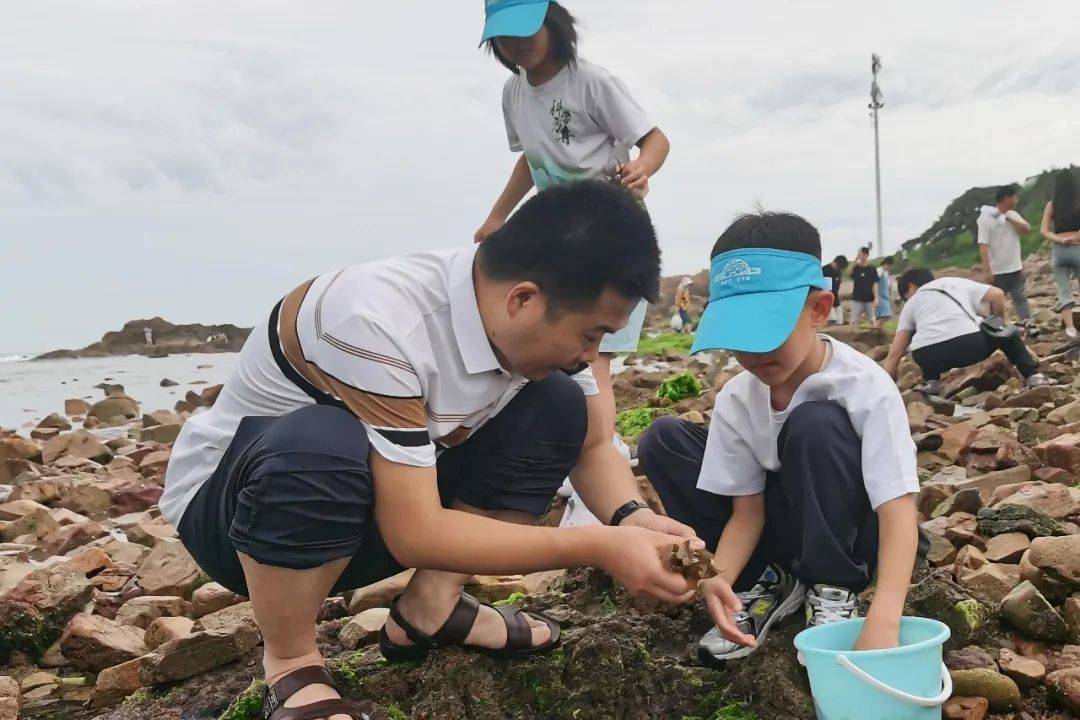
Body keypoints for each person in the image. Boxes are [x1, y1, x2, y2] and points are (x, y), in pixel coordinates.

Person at [160, 182, 719, 720]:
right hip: (240, 522)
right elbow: (414, 532)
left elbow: (593, 445)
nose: (588, 355)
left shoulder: (523, 325)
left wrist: (636, 520)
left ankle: (431, 609)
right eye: (591, 334)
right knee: (322, 445)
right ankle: (291, 658)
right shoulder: (373, 320)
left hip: (369, 507)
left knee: (559, 405)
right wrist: (600, 546)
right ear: (523, 300)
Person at [637, 212, 920, 665]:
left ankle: (833, 591)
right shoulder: (738, 397)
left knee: (815, 423)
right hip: (785, 525)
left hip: (852, 535)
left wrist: (885, 617)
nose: (753, 353)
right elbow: (746, 514)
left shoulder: (863, 386)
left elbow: (898, 509)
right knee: (663, 438)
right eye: (738, 337)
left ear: (819, 310)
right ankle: (760, 587)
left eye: (768, 331)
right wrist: (717, 580)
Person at [473, 0, 671, 467]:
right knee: (549, 349)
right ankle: (571, 455)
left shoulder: (591, 81)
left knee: (591, 356)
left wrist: (641, 169)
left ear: (554, 23)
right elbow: (530, 157)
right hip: (557, 234)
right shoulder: (513, 93)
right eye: (504, 37)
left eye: (528, 30)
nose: (517, 45)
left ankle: (605, 456)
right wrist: (498, 215)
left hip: (608, 227)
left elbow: (656, 139)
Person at [882, 267, 1050, 396]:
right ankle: (1033, 376)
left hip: (928, 357)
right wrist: (998, 323)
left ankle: (931, 382)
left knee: (926, 342)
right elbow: (998, 295)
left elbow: (895, 353)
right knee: (1009, 332)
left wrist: (884, 389)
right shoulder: (952, 282)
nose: (907, 300)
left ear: (910, 288)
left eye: (905, 296)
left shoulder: (911, 303)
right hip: (970, 346)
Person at [977, 184, 1039, 337]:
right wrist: (987, 270)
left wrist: (1009, 218)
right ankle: (994, 329)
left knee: (1020, 297)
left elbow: (1026, 229)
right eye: (1015, 197)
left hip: (1015, 266)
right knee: (997, 301)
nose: (1017, 200)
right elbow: (983, 245)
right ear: (1006, 198)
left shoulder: (1012, 214)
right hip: (998, 270)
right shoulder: (985, 219)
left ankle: (1029, 324)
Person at [1040, 170, 1080, 339]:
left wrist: (1059, 239)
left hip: (1059, 250)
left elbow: (1044, 231)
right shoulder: (1078, 202)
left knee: (1064, 290)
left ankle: (1070, 328)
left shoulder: (1052, 205)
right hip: (1078, 248)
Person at [850, 247, 878, 325]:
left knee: (872, 320)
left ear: (867, 255)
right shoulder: (856, 268)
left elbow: (875, 284)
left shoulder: (872, 269)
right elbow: (848, 271)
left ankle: (873, 336)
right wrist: (856, 259)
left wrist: (876, 297)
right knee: (853, 321)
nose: (862, 257)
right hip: (857, 298)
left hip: (869, 299)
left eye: (864, 255)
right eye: (861, 255)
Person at [821, 255, 848, 325]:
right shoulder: (825, 270)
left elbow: (837, 286)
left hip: (835, 297)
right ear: (835, 262)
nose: (839, 268)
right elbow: (826, 289)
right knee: (833, 319)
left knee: (839, 321)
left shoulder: (839, 271)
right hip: (826, 297)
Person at [875, 256, 895, 327]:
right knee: (884, 316)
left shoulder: (886, 273)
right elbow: (875, 283)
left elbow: (889, 286)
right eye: (889, 266)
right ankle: (875, 327)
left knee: (885, 317)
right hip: (880, 297)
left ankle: (877, 329)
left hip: (886, 298)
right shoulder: (879, 270)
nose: (890, 268)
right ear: (886, 264)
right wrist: (876, 297)